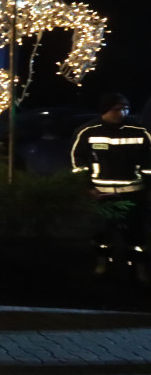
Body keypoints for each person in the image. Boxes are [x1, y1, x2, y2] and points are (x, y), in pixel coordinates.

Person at [71, 92, 151, 280]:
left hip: (133, 193)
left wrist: (149, 189)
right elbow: (77, 163)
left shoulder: (139, 131)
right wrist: (87, 187)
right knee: (103, 233)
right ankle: (103, 266)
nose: (121, 112)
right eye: (116, 109)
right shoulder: (88, 132)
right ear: (105, 110)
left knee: (136, 235)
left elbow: (149, 163)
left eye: (125, 108)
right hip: (102, 194)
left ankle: (138, 268)